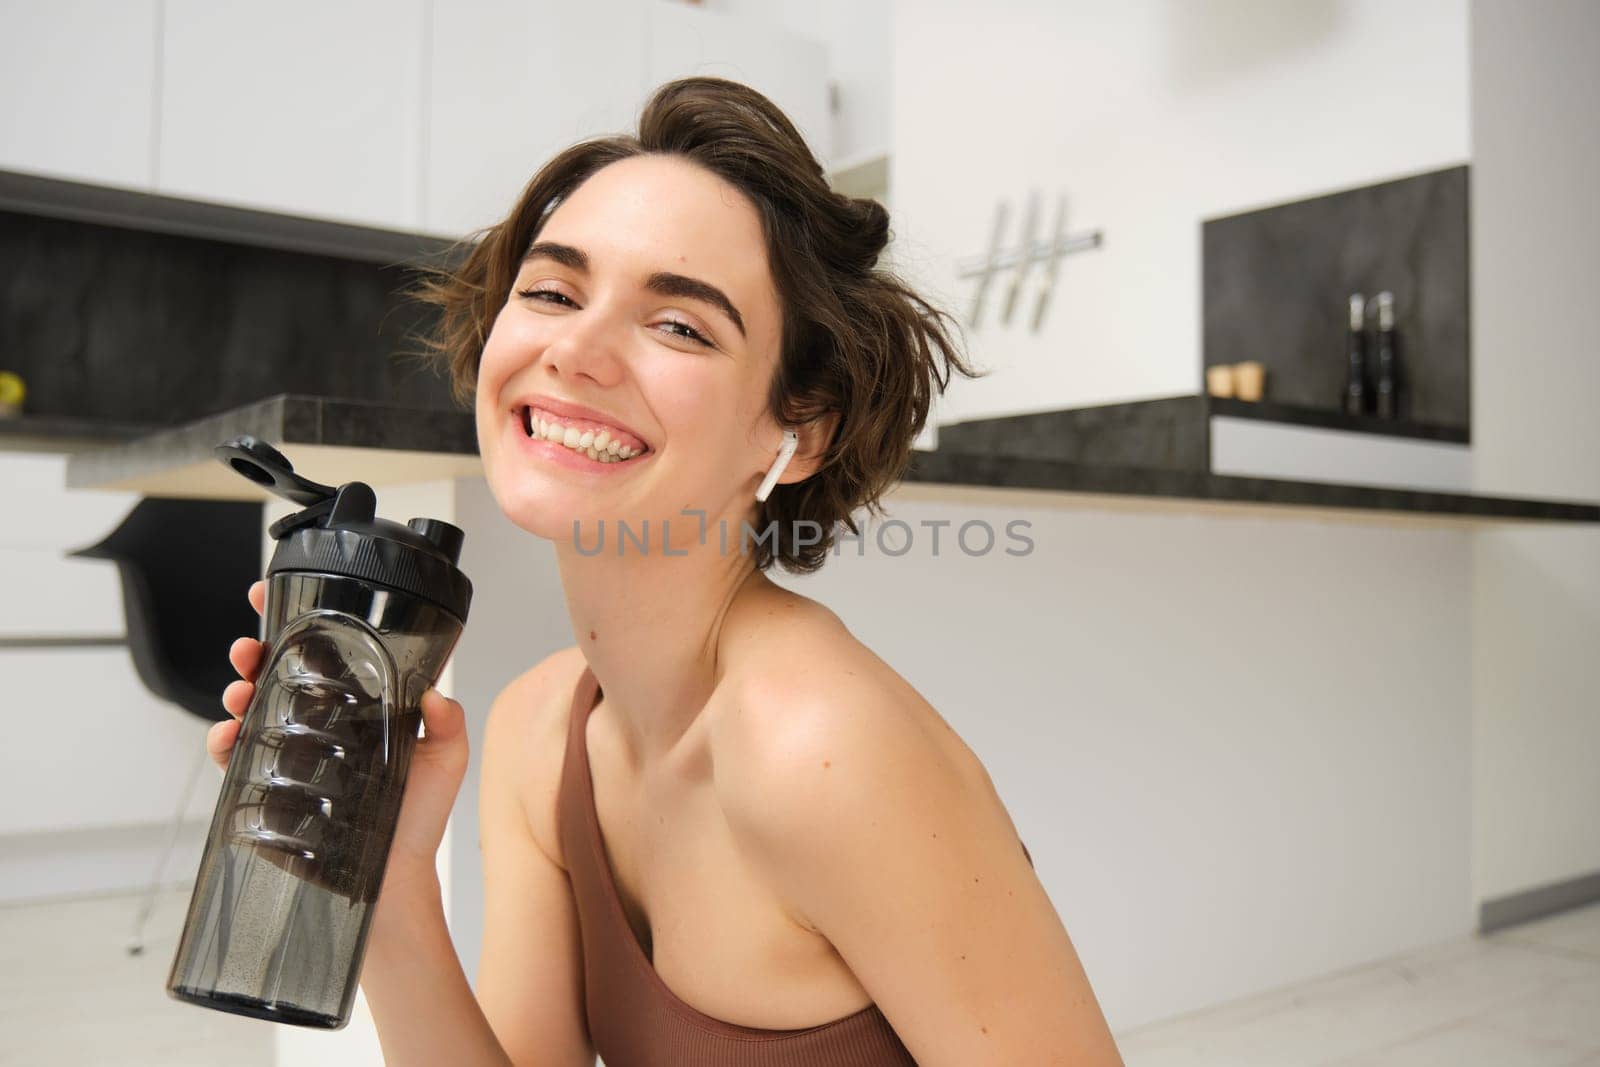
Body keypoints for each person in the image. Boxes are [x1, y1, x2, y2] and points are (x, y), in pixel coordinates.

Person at [212, 77, 1123, 1067]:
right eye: (553, 291)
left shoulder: (817, 747)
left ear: (796, 428)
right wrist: (383, 886)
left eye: (681, 325)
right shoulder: (536, 726)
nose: (578, 349)